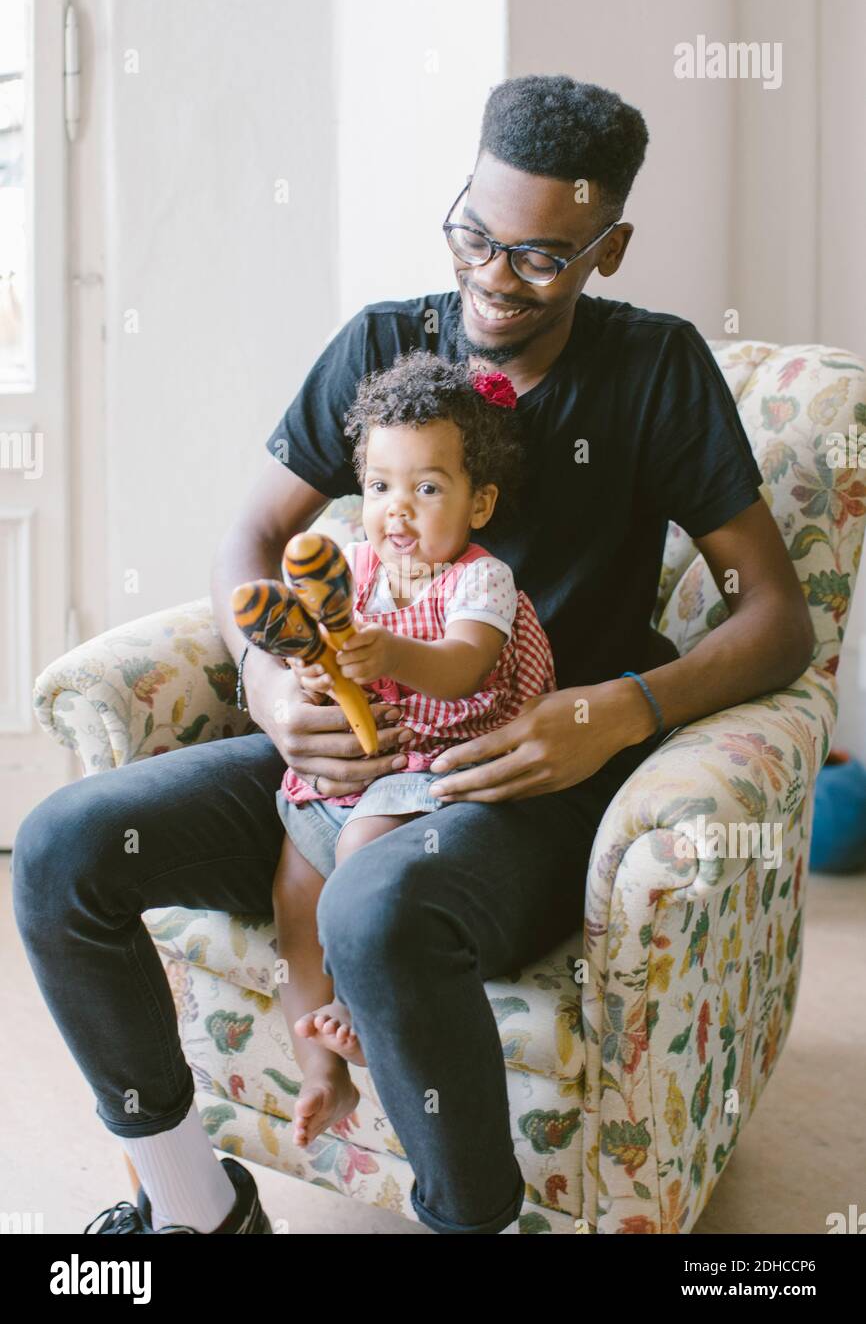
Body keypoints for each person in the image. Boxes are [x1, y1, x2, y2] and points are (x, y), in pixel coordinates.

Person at [12, 74, 814, 1236]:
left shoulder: (655, 371)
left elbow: (773, 615)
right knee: (59, 848)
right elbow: (254, 532)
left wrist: (613, 711)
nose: (491, 276)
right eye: (473, 235)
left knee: (373, 911)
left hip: (519, 790)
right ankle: (194, 1207)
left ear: (607, 247)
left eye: (539, 257)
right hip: (350, 756)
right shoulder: (385, 343)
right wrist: (266, 676)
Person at [271, 350, 558, 1151]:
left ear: (479, 502)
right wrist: (315, 670)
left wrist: (387, 651)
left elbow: (461, 665)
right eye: (379, 487)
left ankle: (358, 1011)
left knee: (362, 857)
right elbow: (327, 664)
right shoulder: (353, 566)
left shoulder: (480, 581)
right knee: (294, 884)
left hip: (443, 758)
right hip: (368, 758)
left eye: (427, 488)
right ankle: (321, 1072)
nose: (398, 510)